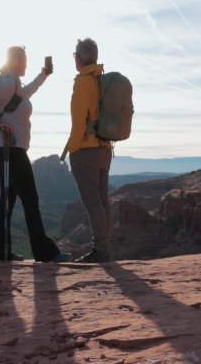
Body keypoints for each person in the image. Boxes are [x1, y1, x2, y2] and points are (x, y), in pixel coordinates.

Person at [0, 46, 71, 263]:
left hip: (11, 149)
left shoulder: (14, 85)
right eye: (24, 60)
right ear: (16, 61)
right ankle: (45, 253)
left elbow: (29, 91)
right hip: (9, 150)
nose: (26, 64)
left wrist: (44, 75)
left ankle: (0, 251)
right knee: (31, 198)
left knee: (7, 200)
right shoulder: (7, 83)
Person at [67, 38, 113, 263]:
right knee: (103, 200)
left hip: (86, 150)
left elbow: (77, 123)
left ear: (79, 58)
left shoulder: (83, 81)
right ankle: (105, 249)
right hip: (105, 148)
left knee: (93, 203)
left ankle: (100, 251)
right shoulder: (101, 78)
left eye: (74, 55)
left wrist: (72, 150)